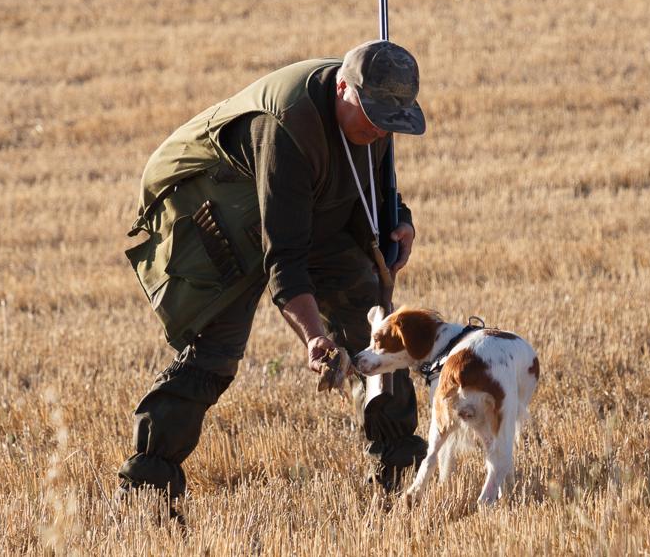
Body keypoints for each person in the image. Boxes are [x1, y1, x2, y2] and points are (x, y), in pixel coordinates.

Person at [116, 40, 428, 514]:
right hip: (223, 208)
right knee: (213, 355)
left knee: (375, 330)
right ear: (343, 87)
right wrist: (313, 337)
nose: (381, 127)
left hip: (311, 203)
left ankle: (399, 468)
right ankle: (147, 487)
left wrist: (397, 219)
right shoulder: (286, 126)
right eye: (373, 114)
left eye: (391, 120)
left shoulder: (376, 114)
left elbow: (370, 182)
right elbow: (285, 256)